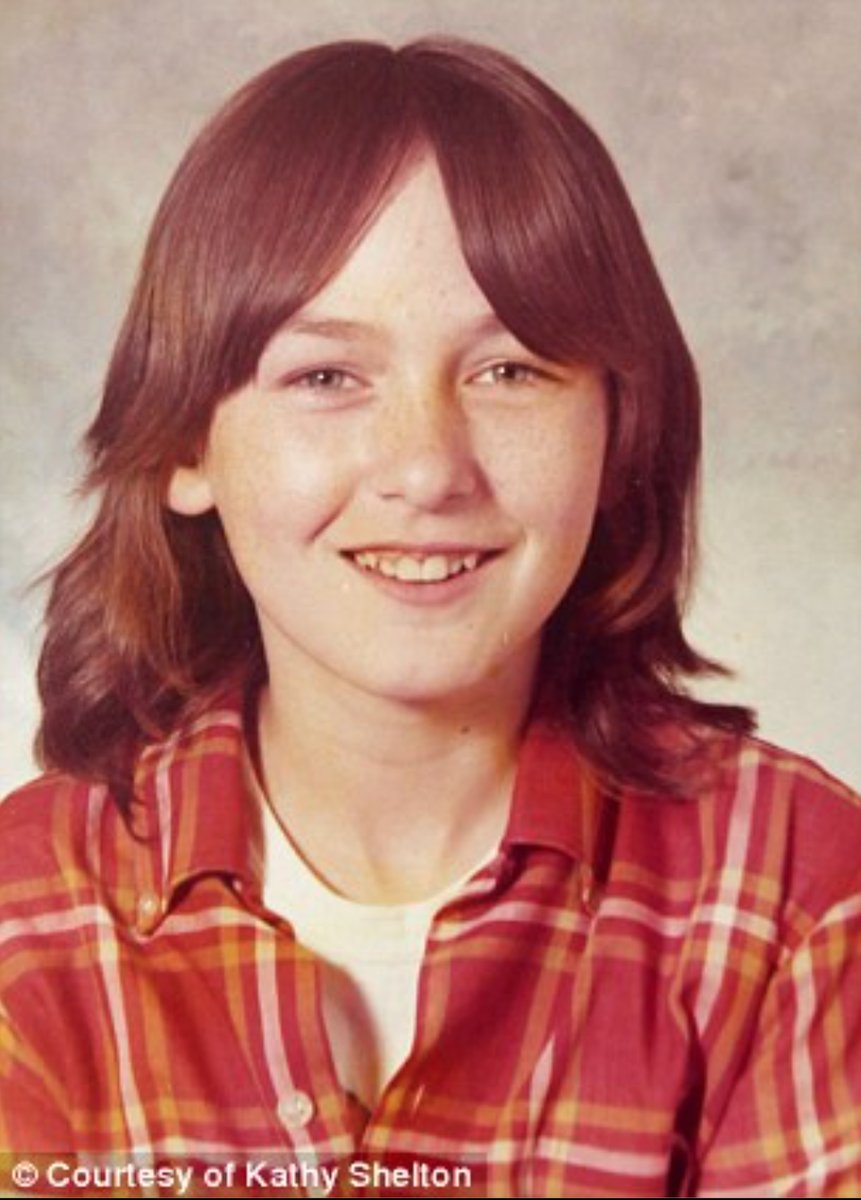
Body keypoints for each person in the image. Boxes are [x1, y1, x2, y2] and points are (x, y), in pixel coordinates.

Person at [1, 36, 859, 1199]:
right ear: (185, 445)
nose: (426, 468)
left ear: (620, 428)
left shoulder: (797, 889)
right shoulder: (28, 915)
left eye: (511, 371)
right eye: (326, 377)